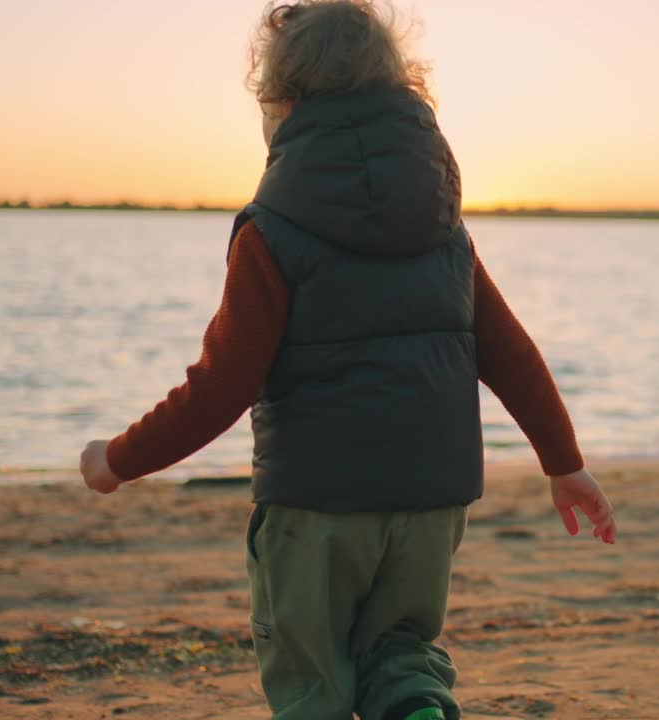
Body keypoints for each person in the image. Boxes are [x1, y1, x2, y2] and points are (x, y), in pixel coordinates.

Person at [78, 2, 617, 718]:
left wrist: (118, 459)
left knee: (311, 679)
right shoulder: (443, 224)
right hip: (431, 497)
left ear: (282, 102)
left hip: (317, 506)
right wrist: (563, 461)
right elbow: (508, 350)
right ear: (402, 87)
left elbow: (222, 386)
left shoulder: (273, 229)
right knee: (402, 653)